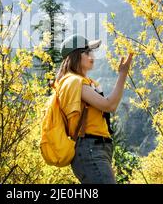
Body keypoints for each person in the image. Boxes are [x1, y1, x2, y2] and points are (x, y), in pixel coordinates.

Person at [53, 34, 134, 184]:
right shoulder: (74, 82)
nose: (92, 56)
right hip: (89, 149)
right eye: (87, 52)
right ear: (76, 56)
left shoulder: (82, 82)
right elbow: (110, 105)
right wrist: (123, 74)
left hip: (95, 149)